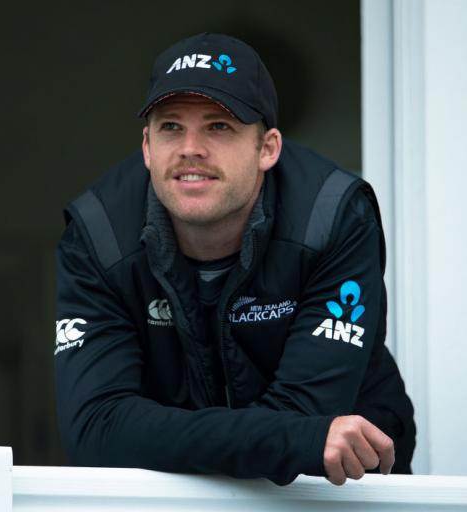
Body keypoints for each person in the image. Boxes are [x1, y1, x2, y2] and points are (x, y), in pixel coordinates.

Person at [54, 32, 415, 486]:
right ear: (147, 148)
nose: (191, 148)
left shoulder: (333, 217)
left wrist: (294, 435)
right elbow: (96, 429)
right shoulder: (98, 234)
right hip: (177, 493)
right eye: (170, 127)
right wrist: (295, 439)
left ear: (267, 149)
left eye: (218, 126)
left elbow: (309, 413)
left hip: (336, 492)